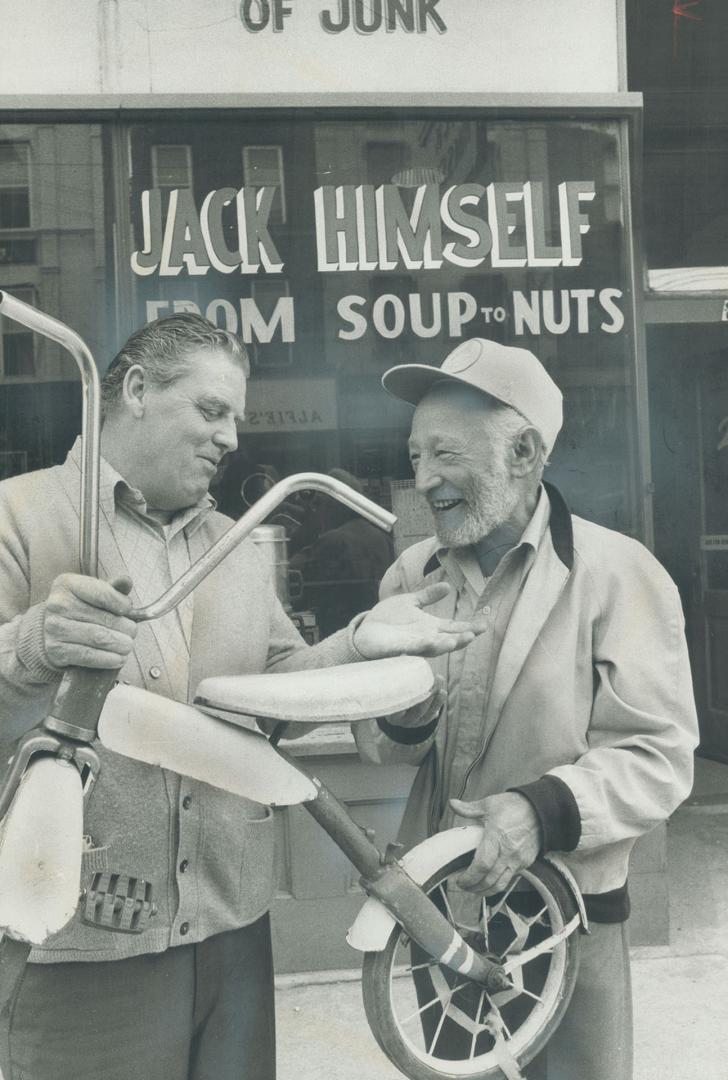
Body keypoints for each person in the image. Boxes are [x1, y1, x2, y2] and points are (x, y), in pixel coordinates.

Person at [0, 314, 487, 1080]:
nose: (230, 438)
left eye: (238, 419)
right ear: (133, 391)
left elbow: (273, 705)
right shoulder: (17, 516)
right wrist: (32, 643)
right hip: (77, 947)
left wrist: (359, 643)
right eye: (211, 410)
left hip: (231, 936)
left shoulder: (234, 545)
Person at [355, 336, 699, 1080]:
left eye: (446, 455)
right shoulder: (411, 576)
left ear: (524, 452)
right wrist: (404, 710)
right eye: (416, 458)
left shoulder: (618, 574)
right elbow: (382, 746)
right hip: (443, 911)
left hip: (569, 914)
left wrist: (538, 813)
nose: (426, 481)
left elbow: (662, 758)